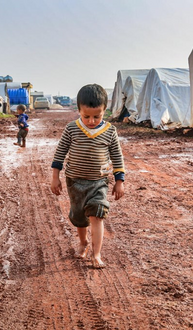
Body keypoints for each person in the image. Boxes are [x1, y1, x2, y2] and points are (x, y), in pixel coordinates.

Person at [50, 84, 125, 269]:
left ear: (104, 111)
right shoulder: (71, 129)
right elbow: (60, 154)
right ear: (79, 110)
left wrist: (119, 181)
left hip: (99, 182)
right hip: (75, 181)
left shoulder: (110, 131)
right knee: (79, 217)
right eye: (86, 116)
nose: (91, 121)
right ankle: (83, 242)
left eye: (97, 116)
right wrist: (55, 177)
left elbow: (117, 156)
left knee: (97, 214)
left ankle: (96, 254)